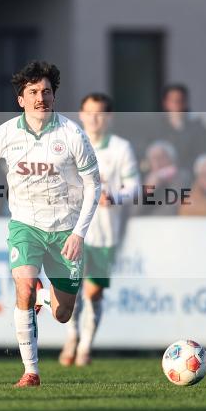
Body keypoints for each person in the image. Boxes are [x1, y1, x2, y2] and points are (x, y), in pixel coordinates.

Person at [0, 61, 101, 388]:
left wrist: (80, 234)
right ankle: (31, 372)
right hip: (25, 225)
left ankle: (44, 297)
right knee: (23, 288)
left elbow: (94, 185)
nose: (41, 97)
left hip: (66, 231)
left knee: (63, 313)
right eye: (33, 92)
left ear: (54, 96)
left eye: (46, 91)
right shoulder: (5, 134)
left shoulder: (71, 134)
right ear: (21, 100)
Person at [59, 93, 138, 368]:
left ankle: (85, 347)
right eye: (89, 112)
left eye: (100, 113)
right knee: (71, 293)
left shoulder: (121, 148)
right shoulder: (69, 143)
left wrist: (115, 195)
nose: (94, 118)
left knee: (94, 293)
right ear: (81, 115)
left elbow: (134, 187)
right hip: (72, 231)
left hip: (104, 233)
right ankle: (73, 337)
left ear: (109, 117)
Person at [141, 84, 206, 167]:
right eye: (173, 101)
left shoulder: (198, 128)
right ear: (166, 103)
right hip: (161, 172)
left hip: (188, 173)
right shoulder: (154, 128)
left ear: (186, 102)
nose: (177, 104)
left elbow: (203, 155)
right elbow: (147, 154)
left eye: (181, 100)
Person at [140, 141, 191, 216]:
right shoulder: (148, 179)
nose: (157, 162)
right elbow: (133, 211)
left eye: (161, 158)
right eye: (153, 159)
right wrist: (147, 191)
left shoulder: (181, 177)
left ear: (171, 159)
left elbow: (170, 210)